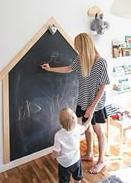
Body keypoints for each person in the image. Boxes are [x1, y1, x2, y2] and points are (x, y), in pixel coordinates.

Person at [41, 32, 110, 174]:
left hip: (95, 104)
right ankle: (89, 153)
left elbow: (103, 86)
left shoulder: (100, 62)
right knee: (87, 128)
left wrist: (92, 107)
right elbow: (67, 68)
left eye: (79, 47)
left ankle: (101, 160)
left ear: (85, 46)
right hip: (82, 101)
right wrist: (50, 68)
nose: (77, 50)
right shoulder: (81, 60)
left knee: (98, 131)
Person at [52, 107, 92, 183]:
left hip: (64, 163)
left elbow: (56, 152)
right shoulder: (77, 128)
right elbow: (85, 127)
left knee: (64, 180)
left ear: (60, 122)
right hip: (76, 160)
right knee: (78, 176)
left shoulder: (58, 135)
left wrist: (53, 157)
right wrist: (89, 119)